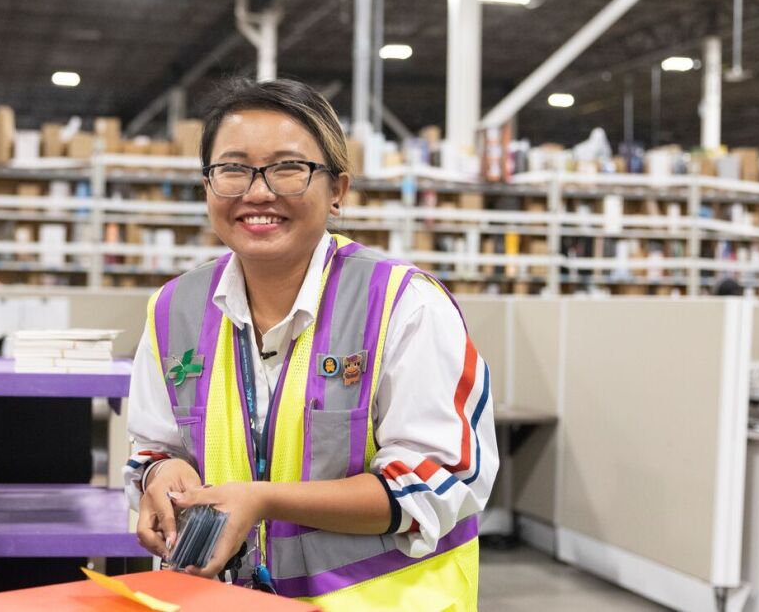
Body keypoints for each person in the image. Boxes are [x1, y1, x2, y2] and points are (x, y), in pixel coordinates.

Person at [124, 78, 497, 610]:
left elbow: (435, 484)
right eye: (232, 169)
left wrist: (263, 500)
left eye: (287, 168)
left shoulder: (404, 304)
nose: (258, 192)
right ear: (207, 185)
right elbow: (150, 447)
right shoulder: (172, 310)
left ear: (338, 190)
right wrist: (163, 473)